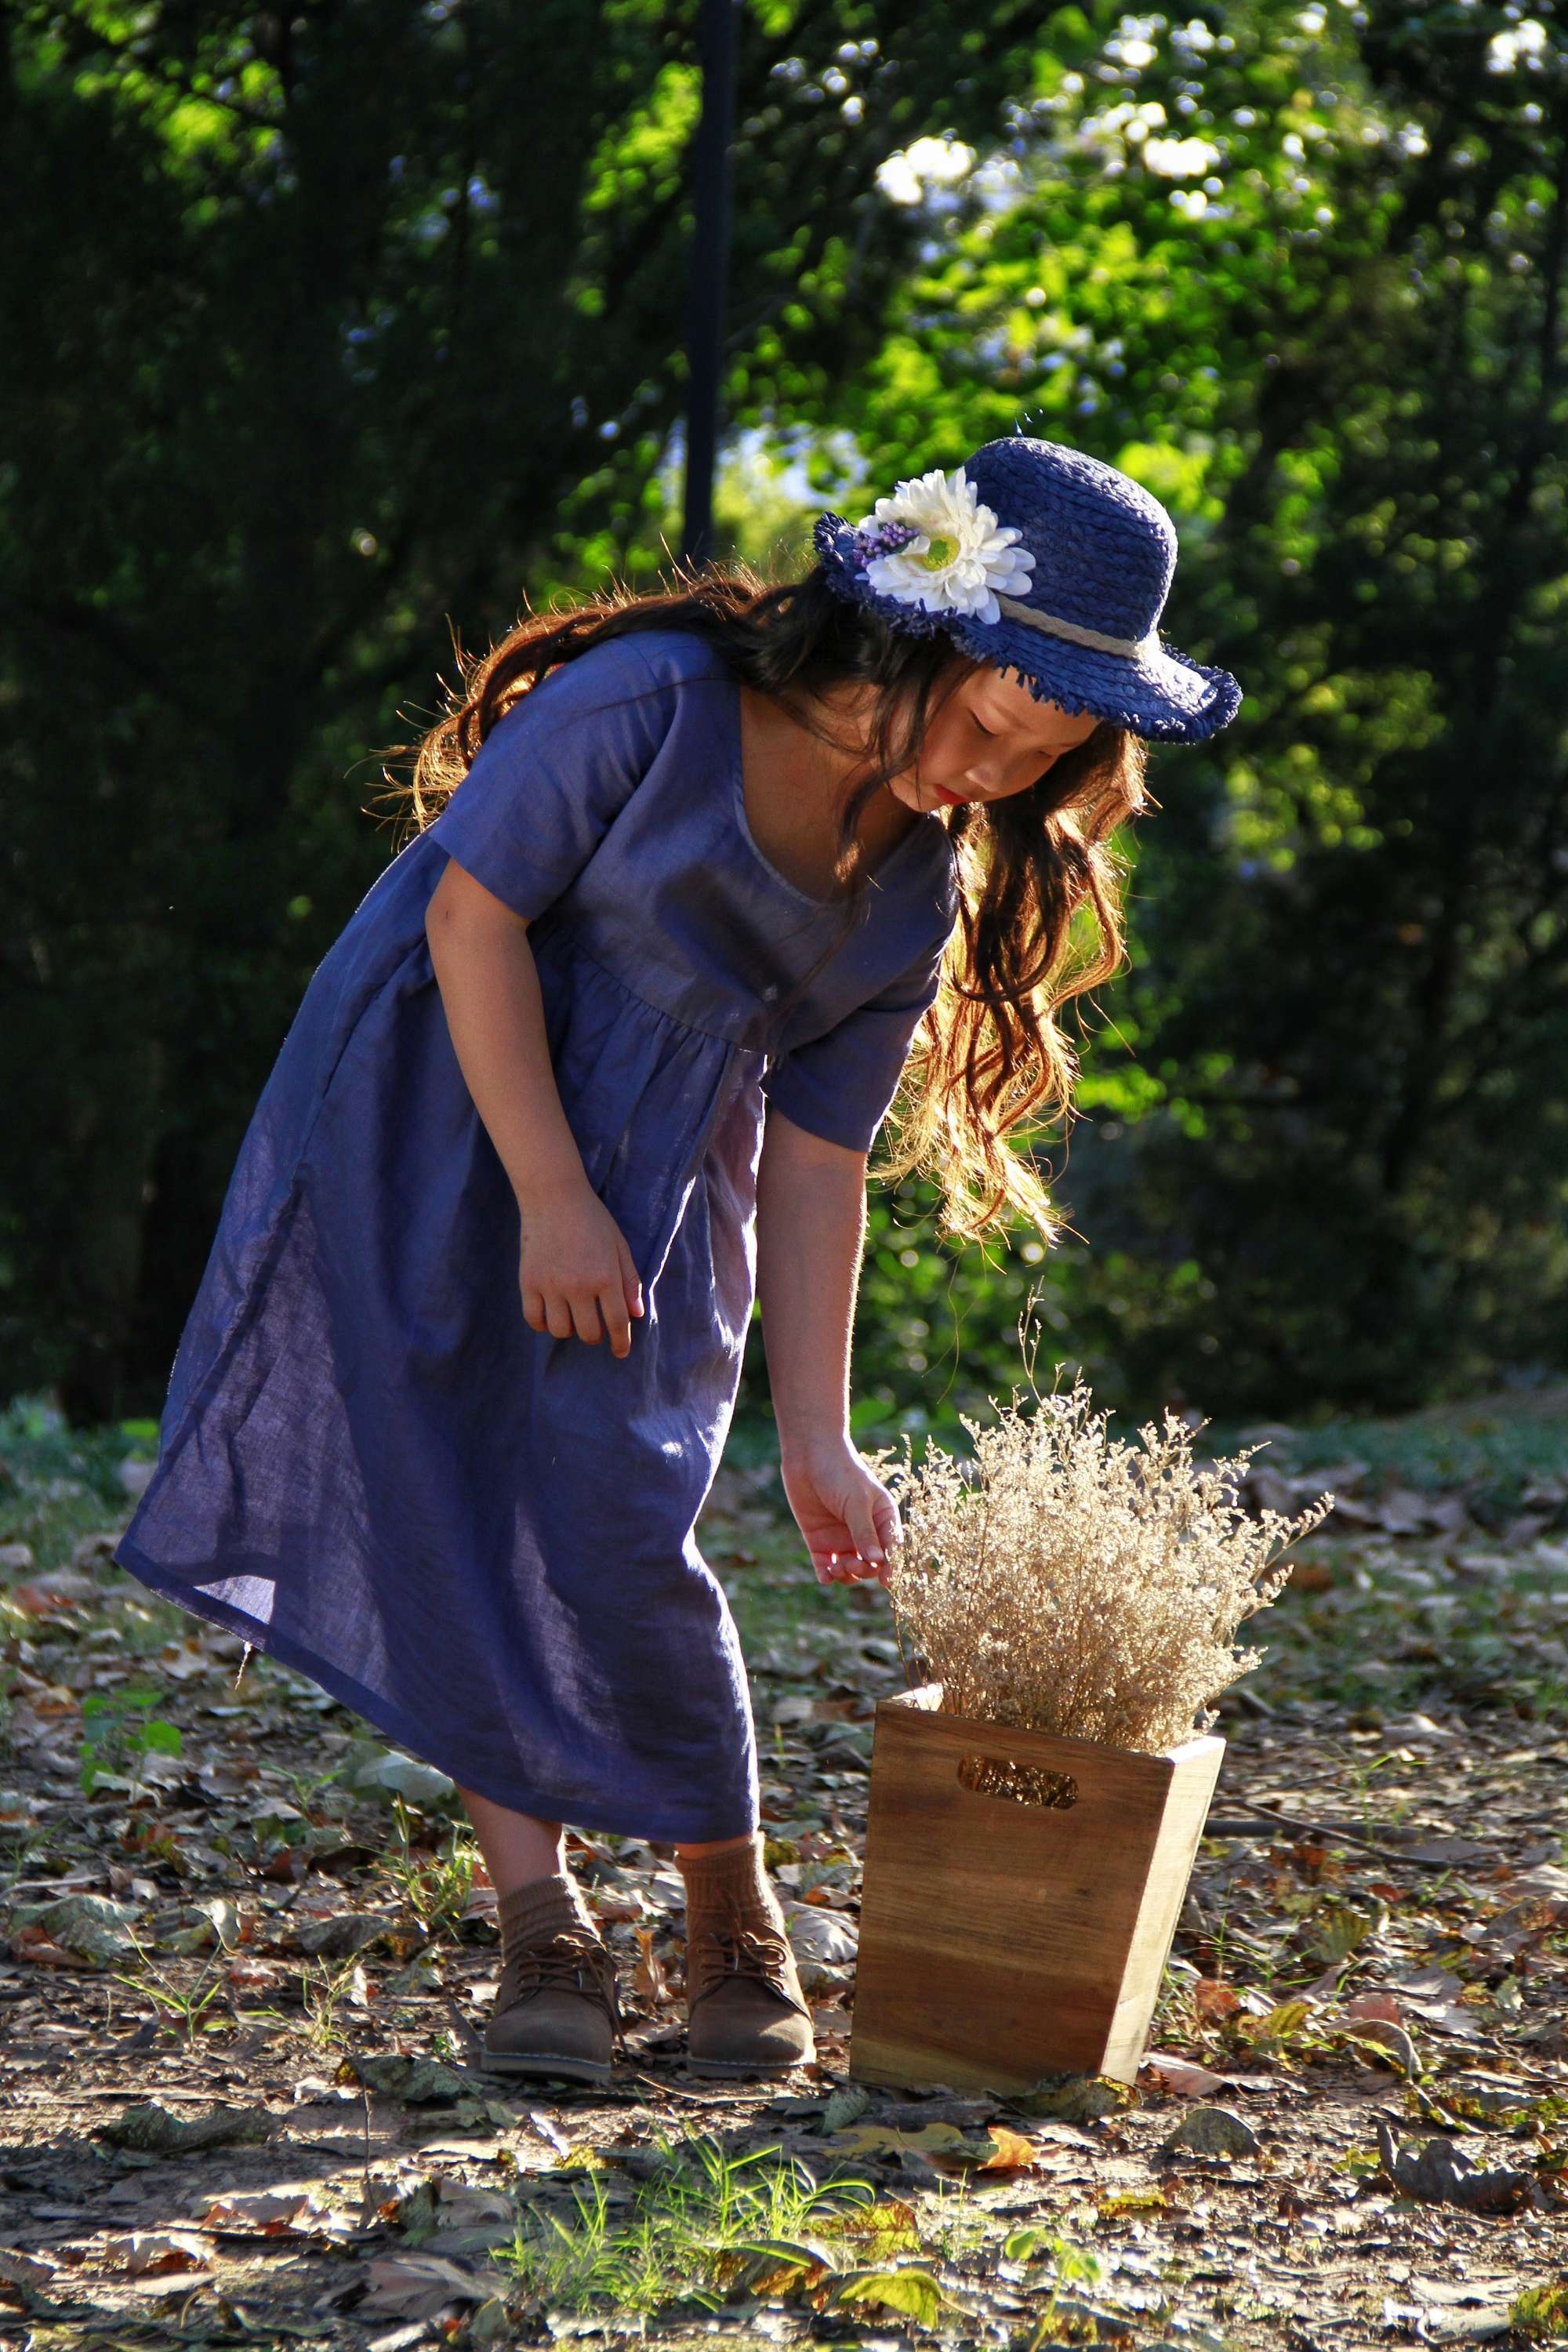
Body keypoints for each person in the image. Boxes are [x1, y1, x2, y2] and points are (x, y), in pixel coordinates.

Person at [114, 434, 1241, 2085]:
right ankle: (540, 1931)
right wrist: (550, 1196)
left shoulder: (905, 887)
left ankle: (732, 1916)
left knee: (622, 1512)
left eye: (1041, 755)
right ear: (916, 634)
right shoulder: (646, 706)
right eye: (987, 722)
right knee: (453, 1496)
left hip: (650, 1181)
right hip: (436, 1112)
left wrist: (815, 1436)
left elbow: (820, 1155)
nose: (992, 775)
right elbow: (467, 922)